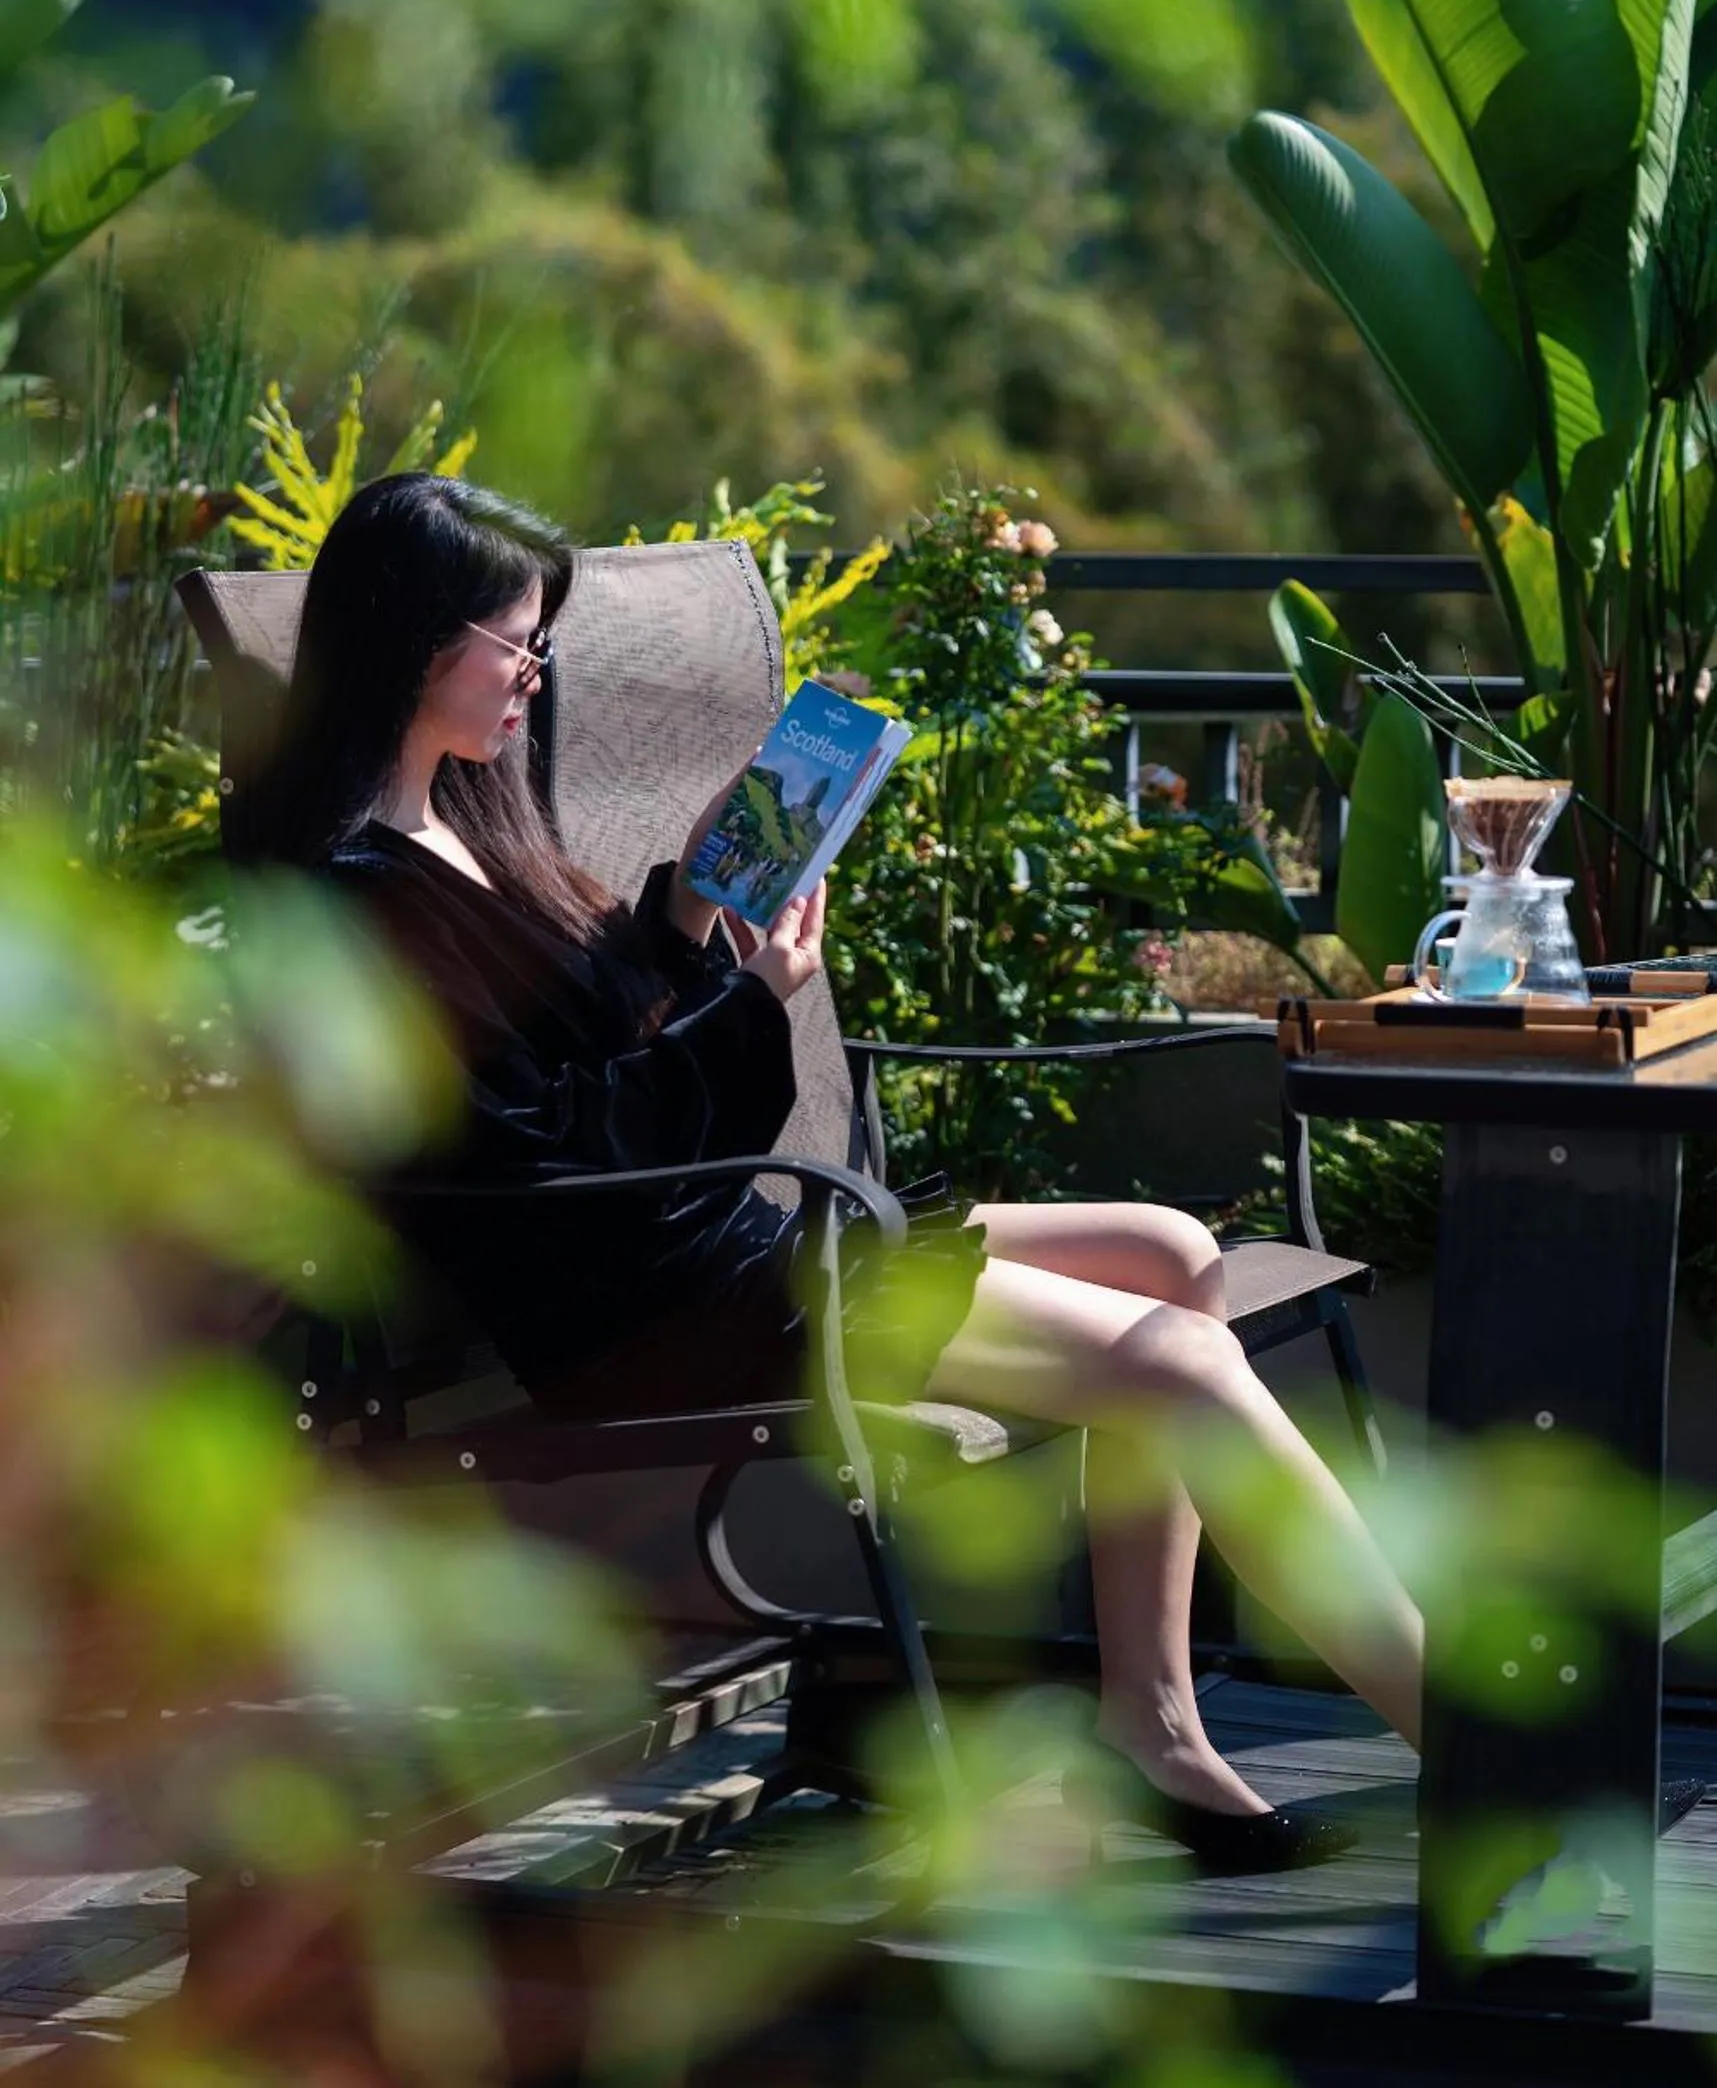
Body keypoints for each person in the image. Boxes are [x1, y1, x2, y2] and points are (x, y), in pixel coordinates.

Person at [256, 471, 1425, 1876]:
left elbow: (570, 1051)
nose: (535, 675)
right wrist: (753, 1010)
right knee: (1180, 1362)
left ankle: (1151, 1721)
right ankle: (1480, 1751)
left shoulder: (462, 827)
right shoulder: (349, 894)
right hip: (653, 1315)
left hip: (700, 1245)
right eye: (518, 642)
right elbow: (533, 1159)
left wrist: (692, 904)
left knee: (1174, 1250)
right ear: (412, 640)